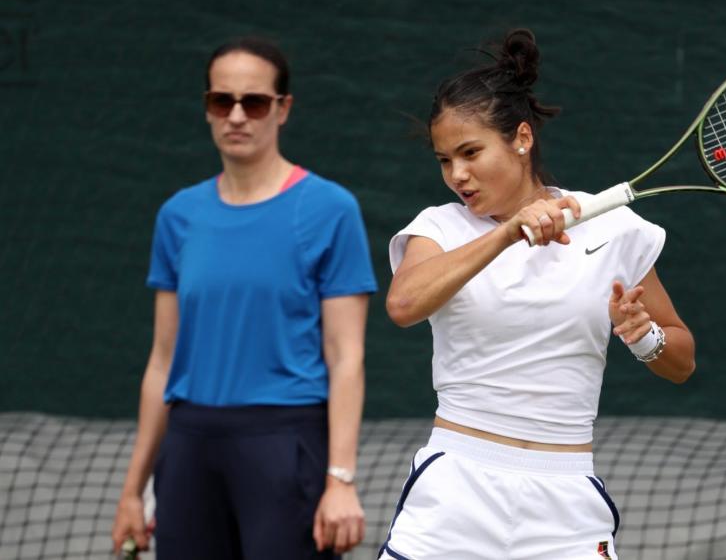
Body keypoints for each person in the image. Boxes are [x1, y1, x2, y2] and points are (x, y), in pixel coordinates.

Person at [379, 28, 696, 560]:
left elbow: (681, 361)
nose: (457, 174)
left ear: (522, 139)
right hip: (455, 492)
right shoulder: (438, 228)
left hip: (565, 503)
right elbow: (403, 305)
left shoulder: (613, 228)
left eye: (470, 152)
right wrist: (504, 233)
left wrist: (643, 337)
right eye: (443, 160)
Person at [110, 37, 377, 559]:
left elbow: (346, 357)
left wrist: (340, 479)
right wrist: (131, 491)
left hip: (285, 445)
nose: (236, 116)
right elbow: (162, 363)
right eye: (220, 101)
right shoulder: (178, 216)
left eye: (253, 102)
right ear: (207, 109)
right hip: (188, 448)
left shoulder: (330, 209)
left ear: (283, 109)